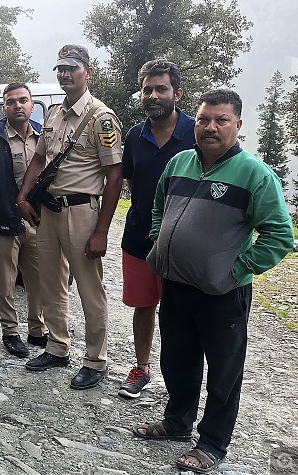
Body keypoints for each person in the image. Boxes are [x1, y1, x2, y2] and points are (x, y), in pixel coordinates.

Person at [134, 89, 294, 473]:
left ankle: (212, 444)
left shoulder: (255, 174)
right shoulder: (179, 163)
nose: (210, 127)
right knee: (177, 361)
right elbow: (158, 206)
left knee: (223, 373)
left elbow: (279, 236)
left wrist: (236, 271)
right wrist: (159, 242)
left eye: (221, 120)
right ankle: (176, 424)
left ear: (238, 125)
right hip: (176, 285)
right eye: (204, 119)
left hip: (223, 294)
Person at [16, 45, 123, 390]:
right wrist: (22, 195)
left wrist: (102, 230)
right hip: (49, 209)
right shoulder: (53, 114)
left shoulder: (101, 117)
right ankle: (58, 346)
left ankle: (95, 360)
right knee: (50, 282)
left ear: (87, 72)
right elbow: (39, 160)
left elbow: (114, 176)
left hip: (83, 212)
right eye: (59, 68)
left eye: (71, 68)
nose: (64, 74)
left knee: (90, 289)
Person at [118, 60, 196, 399]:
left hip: (184, 241)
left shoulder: (197, 132)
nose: (153, 95)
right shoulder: (135, 135)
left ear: (176, 93)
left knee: (181, 310)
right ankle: (142, 368)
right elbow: (132, 181)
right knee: (143, 304)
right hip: (139, 238)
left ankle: (181, 378)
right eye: (147, 89)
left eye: (160, 89)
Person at [0, 82, 56, 358]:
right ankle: (10, 332)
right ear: (4, 108)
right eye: (11, 101)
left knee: (38, 281)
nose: (18, 105)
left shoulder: (45, 139)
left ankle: (37, 330)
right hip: (6, 224)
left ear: (32, 106)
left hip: (38, 223)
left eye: (23, 100)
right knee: (5, 283)